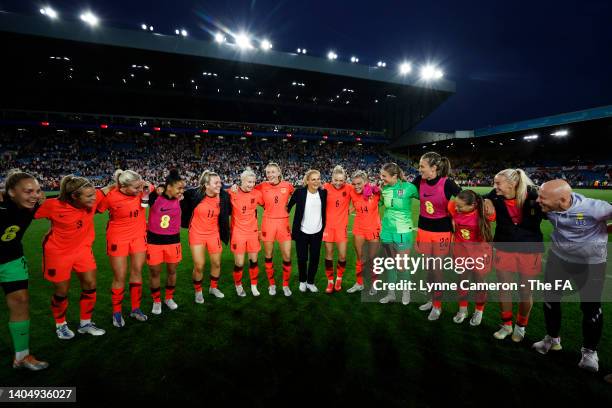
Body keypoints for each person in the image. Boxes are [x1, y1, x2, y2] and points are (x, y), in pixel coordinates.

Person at [532, 179, 612, 373]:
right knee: (551, 299)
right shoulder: (545, 206)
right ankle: (552, 338)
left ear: (562, 199)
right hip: (558, 259)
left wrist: (604, 231)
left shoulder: (595, 208)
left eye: (543, 198)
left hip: (591, 263)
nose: (538, 201)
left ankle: (589, 352)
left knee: (590, 306)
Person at [35, 175, 107, 339]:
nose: (94, 198)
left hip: (82, 251)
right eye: (89, 196)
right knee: (61, 291)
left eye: (93, 194)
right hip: (58, 253)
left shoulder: (91, 199)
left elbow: (107, 189)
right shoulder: (52, 205)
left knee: (90, 285)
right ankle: (61, 325)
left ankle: (85, 323)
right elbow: (26, 211)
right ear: (74, 196)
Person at [484, 169, 545, 342]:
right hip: (504, 247)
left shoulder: (534, 194)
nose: (494, 186)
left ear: (513, 184)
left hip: (530, 249)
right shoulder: (495, 195)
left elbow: (552, 210)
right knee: (505, 288)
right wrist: (486, 200)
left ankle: (521, 326)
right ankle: (506, 325)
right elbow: (481, 197)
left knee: (526, 292)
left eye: (498, 183)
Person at [0, 170, 49, 370]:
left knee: (20, 301)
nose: (34, 195)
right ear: (11, 192)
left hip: (12, 258)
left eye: (37, 191)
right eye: (28, 191)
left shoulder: (35, 204)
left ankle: (22, 357)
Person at [97, 170, 151, 327]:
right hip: (118, 239)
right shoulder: (111, 197)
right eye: (135, 188)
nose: (139, 191)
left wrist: (146, 186)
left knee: (136, 272)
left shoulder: (142, 189)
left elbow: (153, 187)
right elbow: (96, 207)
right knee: (120, 276)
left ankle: (135, 309)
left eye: (139, 187)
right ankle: (117, 312)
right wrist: (107, 188)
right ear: (122, 186)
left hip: (139, 238)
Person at [413, 152, 461, 320]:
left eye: (422, 166)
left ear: (434, 168)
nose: (419, 170)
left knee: (437, 270)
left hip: (441, 231)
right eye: (419, 166)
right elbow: (405, 192)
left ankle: (437, 306)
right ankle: (431, 299)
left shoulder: (447, 183)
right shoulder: (419, 181)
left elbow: (465, 199)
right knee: (428, 269)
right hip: (423, 230)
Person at [181, 170, 231, 303]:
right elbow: (174, 194)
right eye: (216, 183)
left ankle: (213, 288)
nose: (219, 185)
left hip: (214, 234)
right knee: (199, 265)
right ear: (206, 185)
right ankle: (198, 291)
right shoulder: (193, 194)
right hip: (196, 234)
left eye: (220, 182)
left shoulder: (224, 197)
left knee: (216, 263)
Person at [447, 189, 494, 326]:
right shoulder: (454, 206)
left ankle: (479, 311)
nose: (456, 208)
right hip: (460, 251)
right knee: (462, 281)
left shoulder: (485, 213)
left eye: (460, 206)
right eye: (456, 205)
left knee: (479, 282)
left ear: (473, 205)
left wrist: (488, 200)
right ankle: (463, 309)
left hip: (480, 253)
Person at [378, 163, 419, 305]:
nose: (381, 178)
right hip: (387, 231)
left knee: (402, 265)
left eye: (384, 176)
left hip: (403, 232)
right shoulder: (384, 188)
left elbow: (426, 200)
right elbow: (379, 204)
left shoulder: (409, 188)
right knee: (390, 264)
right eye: (381, 175)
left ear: (394, 176)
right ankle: (391, 294)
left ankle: (406, 293)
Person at [146, 169, 185, 315]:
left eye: (183, 188)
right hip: (154, 241)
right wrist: (155, 188)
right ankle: (156, 301)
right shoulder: (154, 197)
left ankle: (168, 298)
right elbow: (143, 186)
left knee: (172, 271)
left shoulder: (182, 199)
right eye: (179, 188)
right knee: (155, 272)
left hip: (173, 241)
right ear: (169, 187)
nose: (182, 191)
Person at [253, 163, 295, 296]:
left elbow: (301, 195)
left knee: (287, 256)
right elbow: (247, 190)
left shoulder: (288, 186)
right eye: (268, 172)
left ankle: (285, 285)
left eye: (273, 172)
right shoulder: (261, 186)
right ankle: (272, 284)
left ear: (278, 173)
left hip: (284, 223)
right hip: (268, 223)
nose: (270, 175)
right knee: (268, 255)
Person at [288, 170, 327, 292]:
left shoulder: (324, 193)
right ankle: (302, 281)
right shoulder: (300, 192)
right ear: (307, 181)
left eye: (318, 179)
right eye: (313, 179)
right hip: (302, 232)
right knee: (302, 258)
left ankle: (310, 282)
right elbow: (288, 207)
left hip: (317, 232)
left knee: (314, 258)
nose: (316, 181)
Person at [228, 169, 264, 297]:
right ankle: (238, 285)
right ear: (241, 181)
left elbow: (268, 205)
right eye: (249, 182)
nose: (251, 184)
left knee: (254, 261)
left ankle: (254, 286)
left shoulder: (257, 194)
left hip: (253, 232)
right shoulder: (232, 192)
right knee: (239, 263)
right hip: (238, 233)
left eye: (253, 182)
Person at [347, 170, 381, 294]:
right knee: (360, 258)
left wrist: (376, 189)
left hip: (373, 229)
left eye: (359, 183)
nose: (356, 186)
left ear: (365, 182)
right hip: (359, 229)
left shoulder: (374, 193)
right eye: (354, 183)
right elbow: (350, 209)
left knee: (373, 259)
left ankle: (374, 284)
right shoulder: (352, 192)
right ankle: (359, 283)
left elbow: (387, 193)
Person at [322, 166, 353, 293]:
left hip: (341, 228)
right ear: (332, 178)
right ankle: (330, 282)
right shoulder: (325, 187)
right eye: (336, 180)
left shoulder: (349, 188)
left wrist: (348, 212)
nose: (339, 183)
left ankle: (338, 279)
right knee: (328, 254)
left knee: (342, 255)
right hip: (328, 227)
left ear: (345, 179)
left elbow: (359, 199)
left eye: (341, 180)